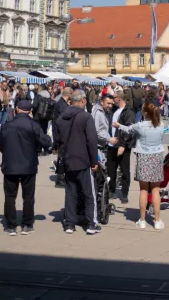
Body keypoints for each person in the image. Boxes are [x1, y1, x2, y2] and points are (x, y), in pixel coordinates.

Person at [0, 98, 51, 235]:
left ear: (16, 109)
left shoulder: (7, 125)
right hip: (28, 165)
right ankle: (27, 224)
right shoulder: (33, 125)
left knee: (10, 196)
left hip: (10, 165)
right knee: (28, 197)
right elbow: (46, 142)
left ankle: (11, 225)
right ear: (30, 111)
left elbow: (0, 145)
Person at [112, 102, 166, 230]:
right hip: (157, 156)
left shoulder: (140, 125)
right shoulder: (161, 125)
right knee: (155, 190)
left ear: (145, 113)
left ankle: (142, 220)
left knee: (143, 189)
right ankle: (157, 221)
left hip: (143, 156)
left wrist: (119, 125)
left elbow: (128, 129)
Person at [55, 88, 102, 235]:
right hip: (83, 159)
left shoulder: (61, 117)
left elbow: (57, 140)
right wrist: (94, 161)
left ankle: (70, 224)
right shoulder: (85, 117)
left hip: (68, 159)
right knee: (89, 193)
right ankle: (91, 223)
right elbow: (92, 141)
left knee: (71, 192)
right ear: (82, 101)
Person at [107, 91, 136, 202]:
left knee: (124, 171)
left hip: (122, 145)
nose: (112, 100)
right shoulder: (114, 110)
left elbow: (129, 130)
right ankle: (112, 190)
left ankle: (124, 193)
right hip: (112, 144)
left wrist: (123, 145)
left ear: (119, 98)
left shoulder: (128, 112)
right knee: (111, 170)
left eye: (113, 97)